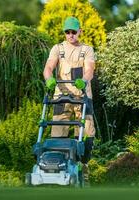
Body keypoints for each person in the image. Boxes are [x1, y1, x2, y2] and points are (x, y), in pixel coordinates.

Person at [43, 16, 95, 164]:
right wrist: (49, 79)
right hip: (62, 97)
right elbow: (48, 68)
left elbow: (90, 70)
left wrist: (84, 81)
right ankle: (59, 165)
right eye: (67, 32)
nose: (70, 35)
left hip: (82, 97)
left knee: (86, 132)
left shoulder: (87, 49)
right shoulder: (57, 49)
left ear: (80, 31)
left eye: (73, 31)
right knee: (58, 132)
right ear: (64, 33)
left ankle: (83, 169)